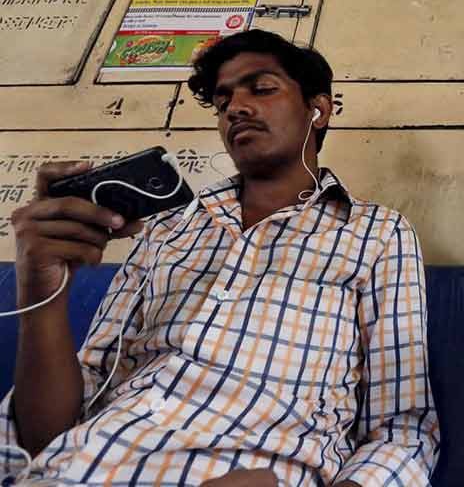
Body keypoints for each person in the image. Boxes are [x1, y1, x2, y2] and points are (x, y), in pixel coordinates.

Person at [2, 29, 438, 485]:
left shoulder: (375, 234)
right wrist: (42, 294)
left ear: (319, 109)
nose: (236, 107)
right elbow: (45, 435)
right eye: (222, 99)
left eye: (262, 89)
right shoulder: (169, 230)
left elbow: (401, 433)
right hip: (74, 469)